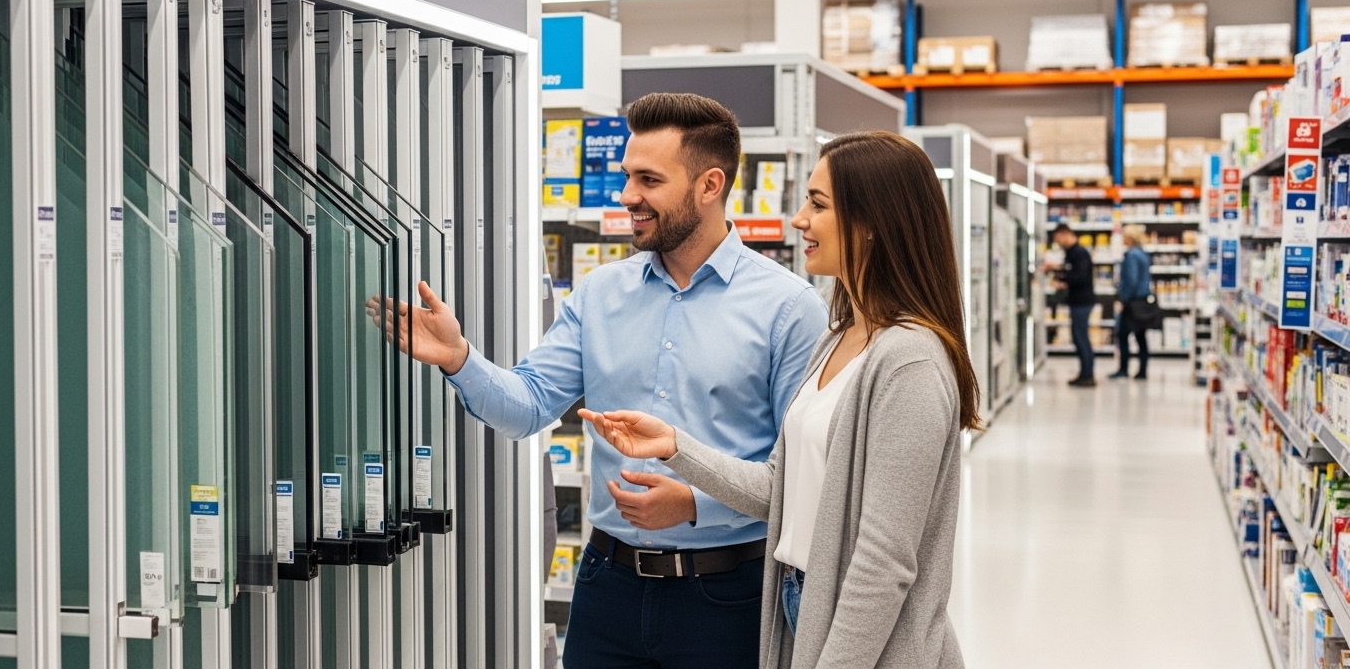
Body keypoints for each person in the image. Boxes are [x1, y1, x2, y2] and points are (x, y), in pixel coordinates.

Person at [390, 92, 830, 669]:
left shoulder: (789, 308)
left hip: (727, 598)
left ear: (710, 184)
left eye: (649, 179)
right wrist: (459, 358)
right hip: (606, 589)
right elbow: (529, 405)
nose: (628, 197)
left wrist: (695, 504)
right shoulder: (600, 294)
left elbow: (798, 481)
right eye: (627, 176)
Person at [581, 131, 980, 669]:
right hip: (800, 604)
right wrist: (676, 446)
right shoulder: (839, 337)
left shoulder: (908, 361)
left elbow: (884, 562)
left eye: (817, 204)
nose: (798, 219)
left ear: (871, 224)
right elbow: (781, 487)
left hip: (865, 636)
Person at [1046, 222, 1096, 387]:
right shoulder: (1071, 253)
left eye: (1058, 239)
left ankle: (1088, 375)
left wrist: (1063, 280)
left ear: (1066, 234)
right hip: (1077, 301)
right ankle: (1084, 373)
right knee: (1079, 337)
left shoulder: (1079, 254)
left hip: (1082, 302)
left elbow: (1080, 277)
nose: (1058, 243)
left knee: (1081, 337)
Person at [1111, 225, 1152, 380]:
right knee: (1141, 336)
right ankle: (1142, 370)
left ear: (1129, 238)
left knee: (1122, 334)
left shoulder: (1131, 255)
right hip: (1143, 299)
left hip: (1132, 301)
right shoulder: (1143, 254)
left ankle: (1123, 369)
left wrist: (1123, 299)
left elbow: (1131, 280)